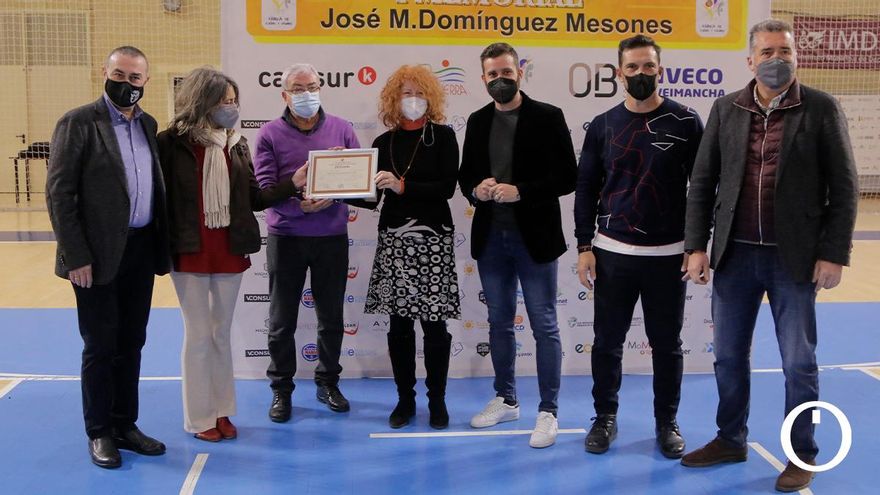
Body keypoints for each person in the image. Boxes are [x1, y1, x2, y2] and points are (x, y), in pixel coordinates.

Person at [680, 19, 858, 492]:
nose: (777, 59)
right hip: (734, 256)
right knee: (728, 356)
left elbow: (844, 187)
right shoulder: (726, 108)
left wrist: (833, 253)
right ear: (750, 60)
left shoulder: (821, 108)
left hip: (793, 260)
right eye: (767, 52)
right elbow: (702, 182)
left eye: (785, 51)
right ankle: (730, 438)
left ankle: (802, 454)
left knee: (799, 363)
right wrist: (696, 245)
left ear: (796, 55)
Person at [574, 35, 703, 458]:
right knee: (607, 342)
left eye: (649, 66)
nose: (641, 74)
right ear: (619, 73)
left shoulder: (687, 121)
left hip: (669, 257)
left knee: (667, 345)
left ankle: (667, 422)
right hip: (612, 255)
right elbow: (586, 189)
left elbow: (703, 188)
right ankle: (604, 418)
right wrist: (583, 246)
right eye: (633, 67)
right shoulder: (603, 125)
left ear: (660, 70)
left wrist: (697, 244)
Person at [158, 68, 301, 441]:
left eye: (234, 101)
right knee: (199, 334)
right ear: (203, 100)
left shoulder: (235, 143)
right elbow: (161, 200)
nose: (231, 107)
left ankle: (222, 411)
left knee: (221, 335)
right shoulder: (170, 143)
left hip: (230, 250)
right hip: (189, 250)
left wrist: (293, 184)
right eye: (225, 100)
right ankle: (199, 417)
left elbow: (255, 197)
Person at [46, 46, 170, 468]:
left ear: (146, 82)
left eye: (135, 78)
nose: (127, 83)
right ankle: (99, 432)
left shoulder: (150, 125)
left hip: (140, 250)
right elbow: (60, 194)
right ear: (104, 71)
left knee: (132, 341)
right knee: (99, 345)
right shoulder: (79, 122)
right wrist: (75, 254)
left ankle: (125, 424)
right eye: (120, 74)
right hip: (94, 257)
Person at [458, 42, 577, 448]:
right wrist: (478, 188)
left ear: (519, 72)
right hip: (491, 239)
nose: (501, 80)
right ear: (484, 78)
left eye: (507, 73)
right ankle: (507, 398)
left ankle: (549, 410)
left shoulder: (547, 116)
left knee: (545, 324)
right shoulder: (476, 121)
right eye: (493, 75)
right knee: (498, 322)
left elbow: (567, 177)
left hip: (536, 239)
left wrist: (521, 191)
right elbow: (465, 178)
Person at [349, 65, 461, 430]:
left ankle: (438, 400)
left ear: (430, 96)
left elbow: (446, 188)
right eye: (404, 93)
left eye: (418, 92)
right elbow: (371, 199)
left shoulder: (443, 136)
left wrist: (404, 187)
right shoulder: (384, 143)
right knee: (399, 328)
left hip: (433, 241)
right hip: (394, 240)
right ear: (393, 100)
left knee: (434, 327)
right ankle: (405, 400)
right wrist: (337, 184)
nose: (411, 100)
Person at [253, 63, 359, 422]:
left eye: (312, 86)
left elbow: (358, 182)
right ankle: (281, 390)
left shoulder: (342, 129)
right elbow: (265, 191)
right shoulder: (268, 134)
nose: (306, 94)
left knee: (331, 317)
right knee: (282, 320)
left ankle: (328, 381)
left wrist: (334, 199)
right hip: (287, 238)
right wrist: (298, 204)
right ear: (284, 94)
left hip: (331, 236)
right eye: (298, 88)